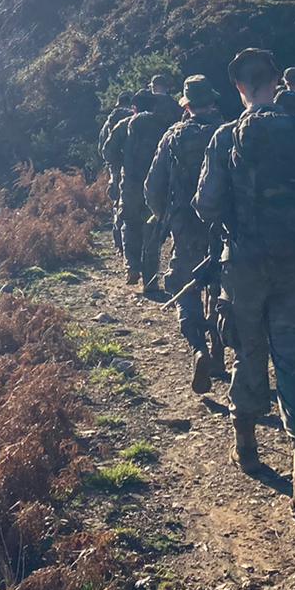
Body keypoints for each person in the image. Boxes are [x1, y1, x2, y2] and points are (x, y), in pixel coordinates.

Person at [195, 47, 295, 520]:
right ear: (276, 84)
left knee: (248, 350)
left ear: (239, 87)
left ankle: (246, 445)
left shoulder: (225, 138)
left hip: (242, 264)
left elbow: (205, 204)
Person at [144, 75, 228, 392]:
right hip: (223, 225)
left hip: (185, 225)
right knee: (222, 288)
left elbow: (153, 187)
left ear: (187, 104)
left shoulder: (172, 136)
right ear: (213, 101)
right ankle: (220, 350)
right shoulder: (229, 132)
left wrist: (164, 216)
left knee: (183, 285)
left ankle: (198, 348)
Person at [103, 90, 179, 288]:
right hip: (156, 186)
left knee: (129, 223)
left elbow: (107, 151)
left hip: (130, 184)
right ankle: (151, 281)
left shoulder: (124, 125)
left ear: (134, 108)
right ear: (154, 106)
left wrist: (123, 166)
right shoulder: (164, 126)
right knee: (152, 230)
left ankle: (131, 266)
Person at [98, 91, 136, 256]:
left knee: (117, 204)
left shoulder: (108, 123)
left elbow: (103, 149)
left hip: (115, 168)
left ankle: (119, 244)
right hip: (135, 168)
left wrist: (113, 164)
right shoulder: (135, 121)